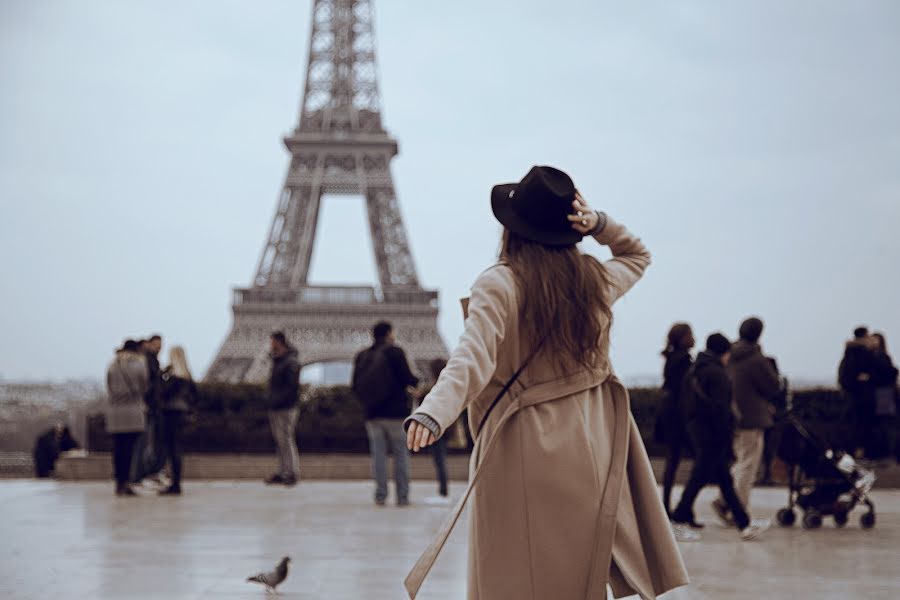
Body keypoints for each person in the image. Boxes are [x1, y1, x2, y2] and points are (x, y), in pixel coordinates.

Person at [404, 166, 687, 599]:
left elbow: (472, 357)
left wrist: (433, 411)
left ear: (512, 229)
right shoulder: (593, 280)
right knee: (577, 575)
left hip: (522, 446)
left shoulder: (499, 282)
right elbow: (637, 257)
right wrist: (600, 225)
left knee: (515, 573)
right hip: (592, 444)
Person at [670, 333, 770, 541]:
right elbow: (722, 409)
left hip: (697, 429)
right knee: (699, 478)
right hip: (713, 434)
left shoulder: (695, 370)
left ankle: (744, 523)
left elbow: (685, 403)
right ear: (723, 352)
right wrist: (726, 435)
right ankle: (677, 520)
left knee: (725, 480)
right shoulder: (717, 374)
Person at [711, 317, 781, 520]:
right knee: (748, 464)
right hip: (752, 416)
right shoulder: (756, 358)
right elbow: (773, 386)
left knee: (740, 460)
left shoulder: (729, 355)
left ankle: (725, 498)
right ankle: (736, 508)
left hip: (731, 415)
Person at [352, 321, 419, 507]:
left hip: (372, 414)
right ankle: (402, 496)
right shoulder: (395, 352)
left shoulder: (362, 356)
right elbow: (409, 379)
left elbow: (355, 385)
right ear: (389, 333)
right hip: (396, 413)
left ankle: (380, 495)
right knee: (401, 455)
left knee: (378, 456)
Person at [657, 322, 694, 518]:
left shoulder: (672, 358)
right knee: (683, 460)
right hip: (678, 415)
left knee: (673, 460)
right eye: (690, 335)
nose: (694, 338)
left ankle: (668, 506)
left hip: (669, 413)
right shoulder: (683, 360)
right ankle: (681, 508)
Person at [105, 340, 149, 496]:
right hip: (133, 410)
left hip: (116, 411)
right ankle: (127, 482)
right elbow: (144, 387)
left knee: (118, 448)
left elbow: (109, 387)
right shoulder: (140, 365)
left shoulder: (112, 365)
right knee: (130, 449)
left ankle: (119, 481)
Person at [157, 346, 198, 495]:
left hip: (170, 413)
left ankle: (175, 484)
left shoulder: (172, 376)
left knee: (171, 449)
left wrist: (163, 375)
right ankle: (176, 482)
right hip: (182, 413)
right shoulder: (186, 376)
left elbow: (163, 393)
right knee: (176, 449)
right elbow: (195, 395)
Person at [265, 331, 301, 487]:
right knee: (280, 441)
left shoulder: (290, 361)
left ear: (279, 342)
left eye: (272, 341)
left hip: (285, 407)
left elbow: (291, 387)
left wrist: (280, 401)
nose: (270, 344)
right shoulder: (278, 360)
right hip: (275, 406)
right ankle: (282, 471)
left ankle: (291, 472)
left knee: (285, 439)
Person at [131, 335, 167, 485]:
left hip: (150, 406)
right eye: (157, 345)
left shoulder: (148, 360)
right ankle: (143, 473)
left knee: (147, 442)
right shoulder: (148, 360)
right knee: (146, 442)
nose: (159, 348)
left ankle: (144, 472)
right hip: (150, 407)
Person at [839, 327, 877, 458]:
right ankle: (862, 452)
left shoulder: (849, 351)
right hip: (862, 395)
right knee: (863, 425)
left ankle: (853, 451)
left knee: (854, 424)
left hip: (852, 394)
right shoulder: (862, 352)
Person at [417, 358, 450, 502]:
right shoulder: (446, 386)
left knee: (439, 460)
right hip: (445, 427)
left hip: (435, 428)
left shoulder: (432, 388)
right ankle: (443, 490)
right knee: (440, 459)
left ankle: (443, 492)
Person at [870, 332, 898, 461]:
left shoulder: (881, 356)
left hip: (884, 393)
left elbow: (890, 372)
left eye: (875, 339)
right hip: (883, 392)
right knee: (882, 423)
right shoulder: (879, 356)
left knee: (885, 424)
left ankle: (887, 451)